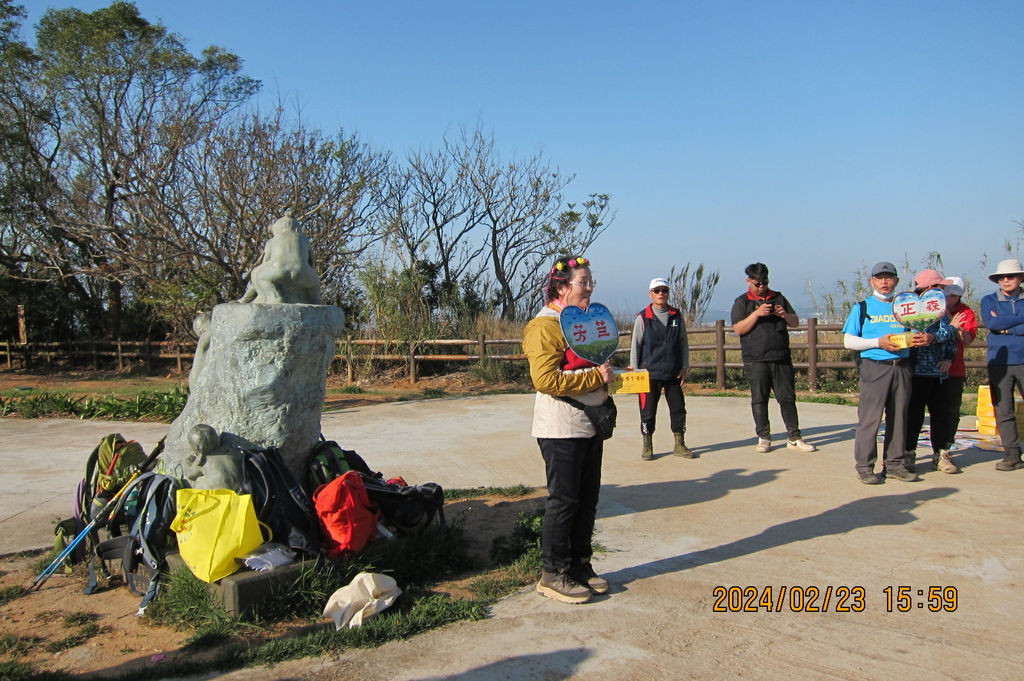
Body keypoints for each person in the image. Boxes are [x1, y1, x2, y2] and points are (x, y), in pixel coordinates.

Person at [522, 255, 615, 604]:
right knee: (564, 501)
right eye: (583, 282)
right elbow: (545, 379)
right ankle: (553, 573)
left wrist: (615, 376)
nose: (589, 288)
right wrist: (597, 378)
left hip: (588, 424)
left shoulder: (581, 323)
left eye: (592, 282)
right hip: (560, 427)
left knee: (587, 500)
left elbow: (593, 366)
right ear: (562, 287)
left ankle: (579, 566)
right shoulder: (545, 326)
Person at [843, 262, 935, 484]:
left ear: (895, 280)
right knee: (870, 419)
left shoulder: (906, 306)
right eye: (879, 278)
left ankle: (894, 464)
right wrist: (878, 342)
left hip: (902, 366)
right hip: (875, 367)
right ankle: (865, 466)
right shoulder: (862, 307)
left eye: (889, 277)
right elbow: (848, 341)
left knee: (899, 417)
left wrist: (926, 338)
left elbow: (918, 331)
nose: (884, 282)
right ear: (871, 281)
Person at [730, 263, 817, 453]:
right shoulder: (742, 302)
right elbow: (738, 329)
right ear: (748, 281)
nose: (761, 286)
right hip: (756, 359)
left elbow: (795, 323)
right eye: (757, 283)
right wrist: (756, 314)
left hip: (781, 357)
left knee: (787, 398)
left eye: (764, 282)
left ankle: (794, 436)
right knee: (759, 399)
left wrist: (784, 314)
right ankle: (764, 437)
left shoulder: (778, 297)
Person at [629, 277, 692, 461]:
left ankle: (679, 444)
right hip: (649, 373)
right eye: (657, 291)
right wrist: (635, 370)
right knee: (647, 411)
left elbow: (683, 343)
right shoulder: (643, 317)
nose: (661, 294)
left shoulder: (676, 315)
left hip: (673, 371)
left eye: (664, 290)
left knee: (678, 408)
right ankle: (647, 445)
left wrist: (684, 366)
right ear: (651, 294)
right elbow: (636, 345)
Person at [902, 270, 957, 473]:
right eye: (938, 287)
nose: (942, 290)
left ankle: (941, 454)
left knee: (941, 415)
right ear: (927, 288)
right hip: (915, 371)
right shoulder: (906, 309)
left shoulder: (940, 310)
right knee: (913, 415)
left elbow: (949, 334)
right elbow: (903, 334)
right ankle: (908, 454)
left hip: (939, 372)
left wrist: (948, 358)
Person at [981, 258, 1024, 472]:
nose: (1006, 280)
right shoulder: (989, 300)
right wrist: (1019, 325)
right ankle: (1012, 453)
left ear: (1020, 278)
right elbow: (991, 323)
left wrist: (1007, 328)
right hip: (999, 362)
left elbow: (1000, 324)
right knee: (1003, 409)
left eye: (1011, 276)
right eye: (1002, 277)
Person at [933, 276, 978, 470]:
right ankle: (908, 454)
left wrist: (953, 323)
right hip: (927, 368)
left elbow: (967, 340)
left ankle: (944, 452)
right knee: (918, 411)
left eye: (950, 295)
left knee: (950, 413)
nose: (945, 297)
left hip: (954, 370)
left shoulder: (966, 312)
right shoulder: (930, 307)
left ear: (957, 297)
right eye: (943, 292)